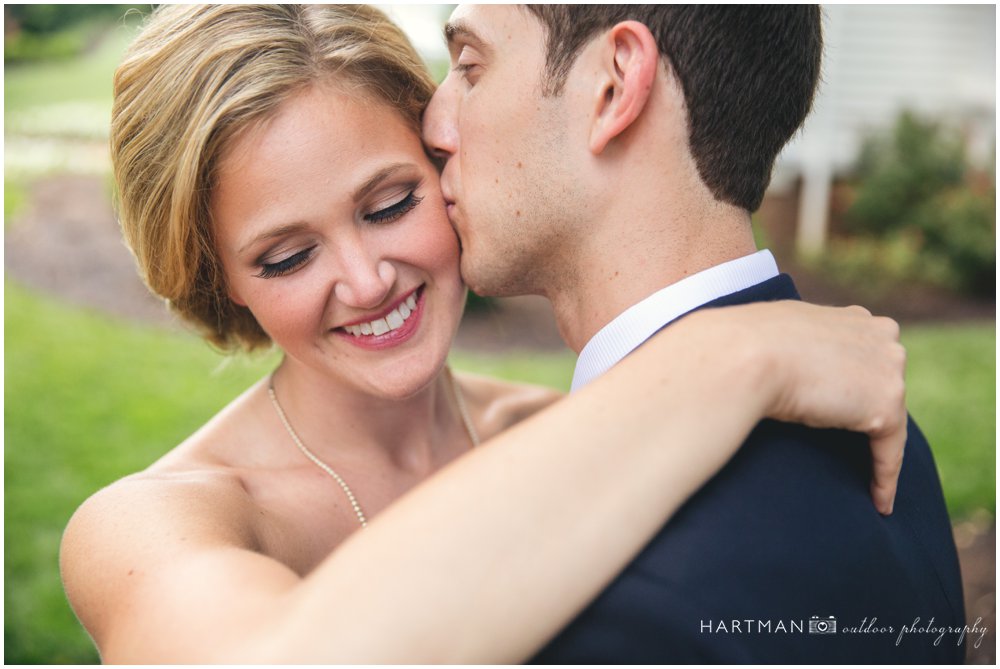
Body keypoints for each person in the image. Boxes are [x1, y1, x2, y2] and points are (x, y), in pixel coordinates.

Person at [62, 5, 909, 664]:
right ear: (224, 282)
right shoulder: (151, 525)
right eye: (285, 257)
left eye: (389, 203)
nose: (366, 282)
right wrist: (733, 353)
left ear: (443, 156)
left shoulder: (576, 432)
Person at [422, 4, 965, 663]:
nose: (434, 123)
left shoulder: (621, 599)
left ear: (614, 86)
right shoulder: (883, 430)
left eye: (472, 68)